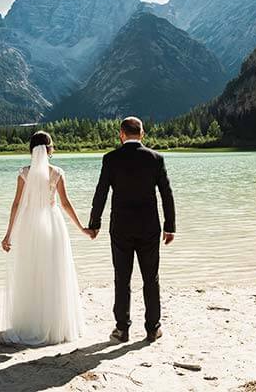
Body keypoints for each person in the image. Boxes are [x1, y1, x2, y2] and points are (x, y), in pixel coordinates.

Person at [85, 117, 175, 343]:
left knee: (122, 279)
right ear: (142, 134)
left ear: (121, 134)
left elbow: (101, 194)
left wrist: (94, 224)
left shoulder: (110, 159)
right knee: (150, 278)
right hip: (149, 228)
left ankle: (122, 329)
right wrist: (170, 226)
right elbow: (167, 194)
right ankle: (153, 329)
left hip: (121, 228)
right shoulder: (156, 158)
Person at [1, 131, 88, 345]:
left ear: (31, 149)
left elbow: (16, 205)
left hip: (30, 224)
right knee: (55, 270)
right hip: (53, 224)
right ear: (49, 149)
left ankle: (30, 322)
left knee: (30, 271)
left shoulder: (23, 173)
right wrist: (82, 228)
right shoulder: (56, 172)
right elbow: (66, 204)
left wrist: (8, 234)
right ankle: (56, 324)